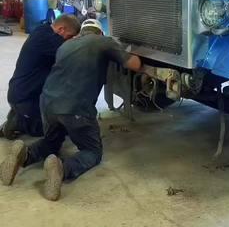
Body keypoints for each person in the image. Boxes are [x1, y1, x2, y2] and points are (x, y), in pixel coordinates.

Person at [0, 19, 141, 201]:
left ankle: (24, 155)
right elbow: (135, 64)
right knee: (92, 152)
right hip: (76, 108)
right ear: (100, 32)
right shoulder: (103, 42)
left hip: (47, 104)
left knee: (52, 142)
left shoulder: (64, 46)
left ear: (80, 33)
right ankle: (62, 168)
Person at [0, 15, 81, 139]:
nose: (68, 40)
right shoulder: (47, 40)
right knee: (57, 130)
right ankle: (19, 122)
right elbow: (74, 52)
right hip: (25, 98)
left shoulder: (42, 30)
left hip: (24, 94)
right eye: (69, 36)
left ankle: (21, 115)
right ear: (61, 29)